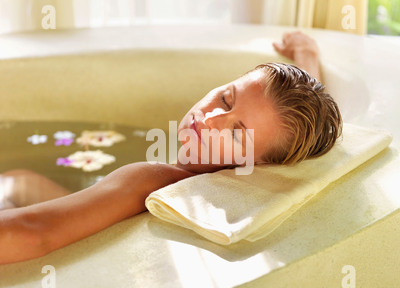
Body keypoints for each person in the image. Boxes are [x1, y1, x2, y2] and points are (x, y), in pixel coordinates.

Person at [0, 31, 342, 265]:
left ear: (257, 163)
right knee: (18, 178)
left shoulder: (151, 179)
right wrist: (307, 58)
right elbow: (298, 126)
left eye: (237, 134)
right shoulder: (266, 154)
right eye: (225, 98)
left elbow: (36, 235)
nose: (210, 119)